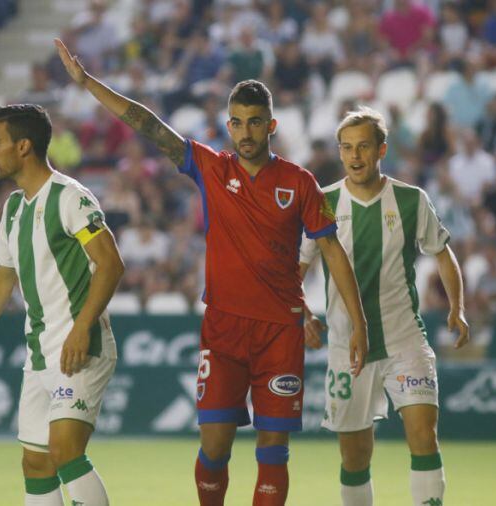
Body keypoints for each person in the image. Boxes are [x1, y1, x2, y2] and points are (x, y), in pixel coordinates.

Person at [55, 38, 368, 506]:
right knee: (214, 447)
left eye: (255, 123)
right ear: (228, 125)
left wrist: (357, 322)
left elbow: (333, 251)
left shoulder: (300, 182)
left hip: (281, 331)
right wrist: (88, 83)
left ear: (271, 125)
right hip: (223, 329)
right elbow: (148, 124)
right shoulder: (211, 168)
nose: (245, 132)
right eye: (238, 123)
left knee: (273, 448)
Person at [0, 104, 125, 506]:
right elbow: (2, 280)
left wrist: (82, 327)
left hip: (81, 347)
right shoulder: (13, 209)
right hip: (40, 353)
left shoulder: (70, 197)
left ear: (23, 146)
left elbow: (111, 265)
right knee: (36, 463)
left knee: (65, 452)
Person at [299, 107, 469, 506]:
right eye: (346, 148)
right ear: (340, 153)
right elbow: (299, 268)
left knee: (424, 436)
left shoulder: (411, 200)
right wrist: (304, 313)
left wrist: (457, 307)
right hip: (346, 347)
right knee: (354, 455)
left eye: (363, 147)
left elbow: (443, 255)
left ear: (381, 150)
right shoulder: (322, 202)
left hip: (404, 338)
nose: (354, 156)